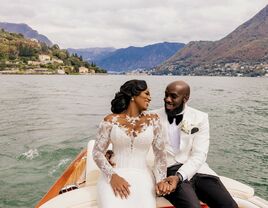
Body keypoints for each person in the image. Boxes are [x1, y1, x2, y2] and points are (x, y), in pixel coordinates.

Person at [155, 80, 238, 208]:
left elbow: (200, 154)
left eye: (173, 96)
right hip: (169, 170)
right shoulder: (152, 116)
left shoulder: (200, 117)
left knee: (229, 205)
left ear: (185, 98)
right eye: (166, 95)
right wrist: (111, 152)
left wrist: (179, 176)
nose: (167, 99)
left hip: (198, 170)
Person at [92, 79, 169, 208]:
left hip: (143, 176)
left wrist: (161, 180)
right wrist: (112, 177)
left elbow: (161, 155)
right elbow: (97, 152)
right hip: (113, 175)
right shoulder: (110, 120)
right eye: (146, 94)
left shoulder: (154, 120)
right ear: (133, 96)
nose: (150, 98)